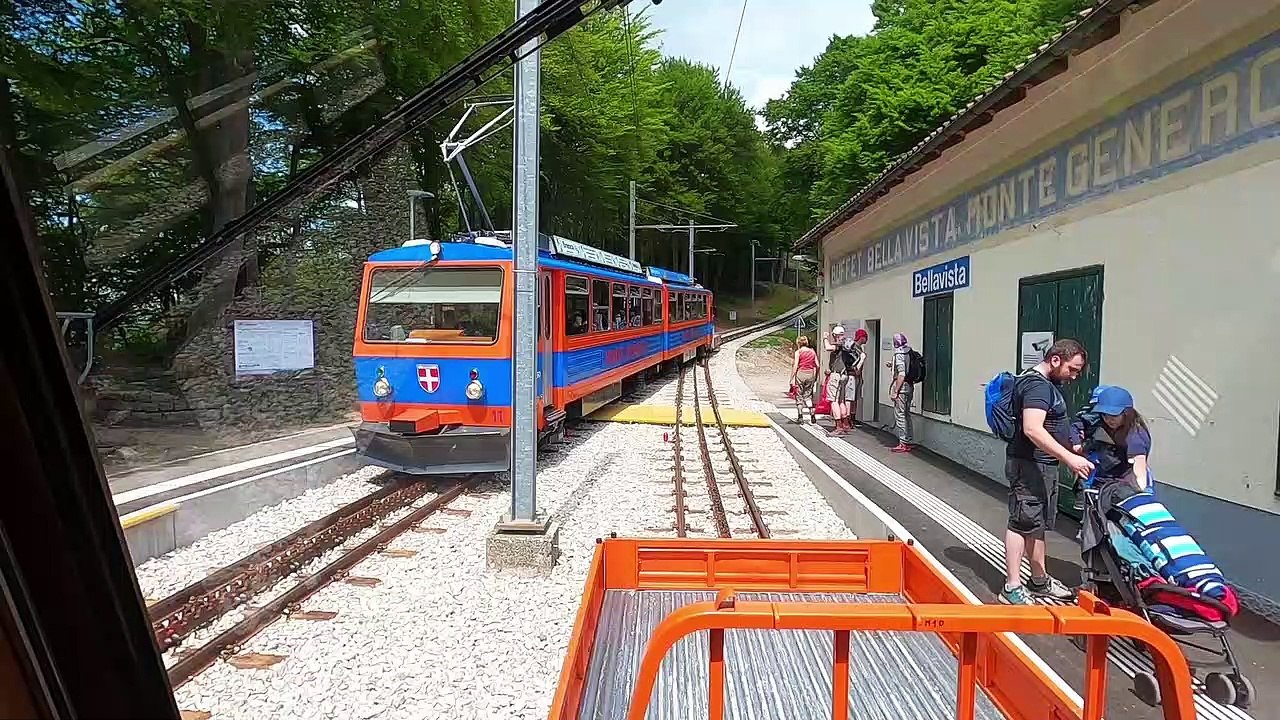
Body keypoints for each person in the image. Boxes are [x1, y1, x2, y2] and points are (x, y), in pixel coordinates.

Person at [1000, 338, 1093, 605]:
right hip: (1029, 465)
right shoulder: (1037, 387)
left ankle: (1039, 580)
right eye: (1072, 369)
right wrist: (1069, 459)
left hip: (1041, 465)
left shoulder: (1043, 384)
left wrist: (1071, 447)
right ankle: (1012, 586)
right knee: (1021, 523)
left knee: (1035, 524)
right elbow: (1032, 428)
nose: (1074, 376)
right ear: (1055, 360)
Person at [1071, 385, 1151, 491]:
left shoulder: (1136, 437)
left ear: (1126, 413)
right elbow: (1076, 427)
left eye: (1113, 416)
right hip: (1101, 480)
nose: (1108, 420)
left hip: (1124, 487)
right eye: (1105, 415)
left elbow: (1140, 474)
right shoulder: (1102, 424)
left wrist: (1139, 493)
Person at [888, 333, 915, 453]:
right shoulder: (909, 351)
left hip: (902, 388)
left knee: (900, 414)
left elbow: (902, 373)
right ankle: (909, 440)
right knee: (907, 414)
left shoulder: (899, 354)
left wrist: (896, 391)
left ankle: (903, 442)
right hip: (910, 386)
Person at [823, 326, 851, 435]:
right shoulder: (848, 345)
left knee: (833, 401)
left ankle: (838, 426)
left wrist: (825, 338)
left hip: (836, 375)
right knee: (841, 401)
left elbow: (828, 347)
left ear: (835, 335)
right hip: (845, 375)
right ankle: (845, 424)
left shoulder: (839, 344)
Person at [790, 336, 820, 423]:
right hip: (810, 374)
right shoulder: (812, 351)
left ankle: (800, 416)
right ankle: (812, 414)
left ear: (798, 343)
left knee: (799, 396)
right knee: (808, 396)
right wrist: (816, 376)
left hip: (801, 373)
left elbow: (795, 365)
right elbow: (817, 365)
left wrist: (792, 378)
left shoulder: (798, 352)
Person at [848, 328, 868, 425]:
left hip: (857, 376)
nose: (866, 339)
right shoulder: (854, 348)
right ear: (862, 337)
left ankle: (852, 416)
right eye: (865, 337)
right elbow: (853, 362)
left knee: (855, 397)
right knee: (852, 397)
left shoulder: (859, 348)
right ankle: (850, 418)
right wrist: (856, 372)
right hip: (854, 375)